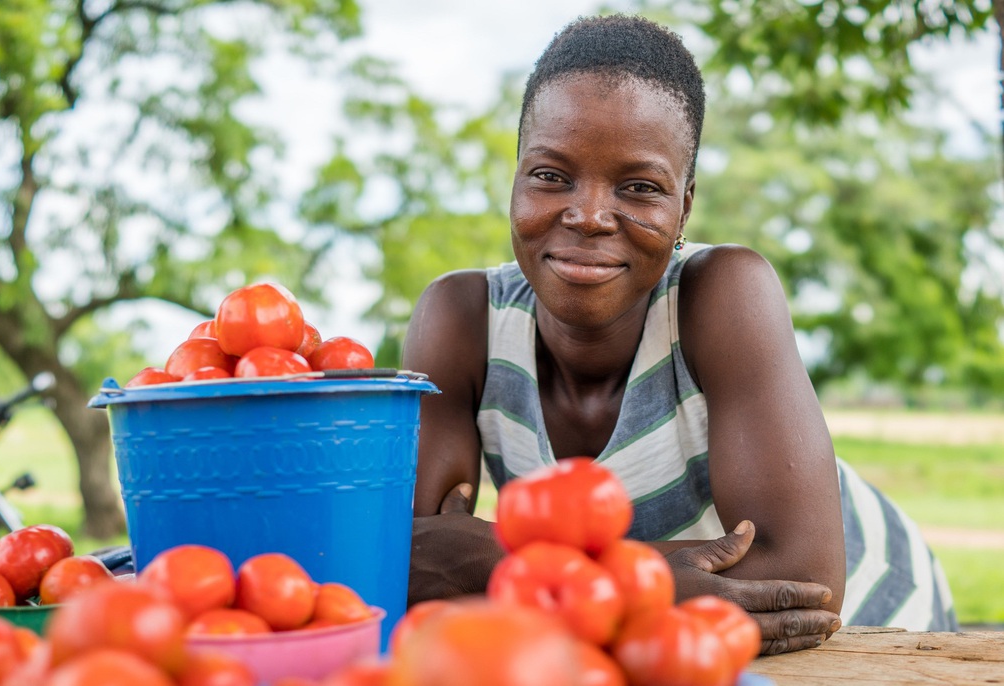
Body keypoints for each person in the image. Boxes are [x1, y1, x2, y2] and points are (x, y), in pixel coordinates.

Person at [402, 14, 957, 655]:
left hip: (878, 629)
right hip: (677, 643)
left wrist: (498, 559)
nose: (586, 216)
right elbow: (418, 556)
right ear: (516, 180)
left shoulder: (720, 294)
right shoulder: (461, 319)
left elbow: (800, 577)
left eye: (639, 187)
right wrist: (654, 578)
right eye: (550, 176)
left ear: (685, 207)